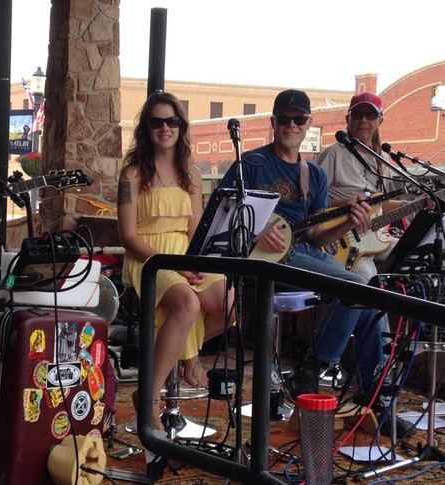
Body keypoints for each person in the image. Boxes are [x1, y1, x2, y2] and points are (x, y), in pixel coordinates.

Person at [217, 89, 387, 407]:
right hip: (262, 260)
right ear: (273, 122)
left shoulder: (315, 175)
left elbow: (317, 236)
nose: (291, 125)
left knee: (370, 296)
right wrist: (256, 228)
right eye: (285, 118)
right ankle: (314, 366)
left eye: (299, 119)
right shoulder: (252, 163)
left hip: (303, 254)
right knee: (356, 286)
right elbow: (223, 210)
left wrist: (349, 222)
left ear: (308, 123)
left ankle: (371, 394)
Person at [117, 91, 234, 429]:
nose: (165, 128)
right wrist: (175, 264)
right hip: (149, 257)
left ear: (181, 127)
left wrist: (200, 261)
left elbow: (195, 227)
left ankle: (186, 351)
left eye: (172, 121)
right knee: (186, 303)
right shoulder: (132, 174)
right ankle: (149, 396)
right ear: (146, 128)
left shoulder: (192, 175)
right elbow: (128, 237)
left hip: (185, 252)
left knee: (229, 305)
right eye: (157, 122)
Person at [315, 92, 411, 282]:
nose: (364, 120)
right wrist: (349, 205)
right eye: (358, 114)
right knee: (366, 281)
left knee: (417, 256)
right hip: (342, 240)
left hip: (374, 236)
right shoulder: (333, 154)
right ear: (348, 118)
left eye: (371, 114)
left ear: (380, 120)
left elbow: (379, 206)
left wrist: (414, 205)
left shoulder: (382, 160)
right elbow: (313, 201)